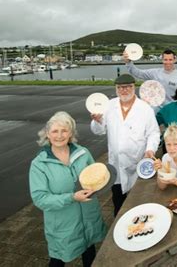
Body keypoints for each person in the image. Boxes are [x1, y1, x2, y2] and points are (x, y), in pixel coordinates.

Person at [29, 111, 107, 267]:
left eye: (64, 130)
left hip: (88, 218)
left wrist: (101, 183)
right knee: (58, 260)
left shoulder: (83, 153)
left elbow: (96, 175)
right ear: (47, 134)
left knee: (90, 252)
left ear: (71, 133)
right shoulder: (39, 164)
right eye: (55, 131)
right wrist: (71, 198)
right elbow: (40, 199)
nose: (59, 135)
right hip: (63, 225)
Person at [90, 74, 160, 216]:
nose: (124, 90)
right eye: (120, 88)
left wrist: (150, 150)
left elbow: (153, 133)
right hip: (116, 165)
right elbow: (99, 131)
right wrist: (97, 121)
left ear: (134, 87)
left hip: (138, 164)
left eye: (128, 87)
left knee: (138, 203)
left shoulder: (145, 108)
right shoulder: (109, 106)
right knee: (118, 203)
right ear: (116, 89)